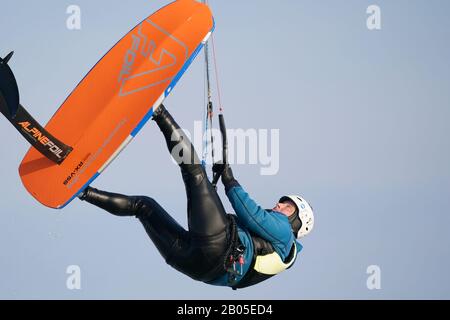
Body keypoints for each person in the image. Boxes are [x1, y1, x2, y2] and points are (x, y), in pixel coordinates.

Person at [78, 104, 315, 289]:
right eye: (283, 201)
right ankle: (83, 192)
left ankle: (158, 110)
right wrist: (219, 181)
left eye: (288, 207)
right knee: (143, 206)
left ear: (296, 222)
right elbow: (247, 224)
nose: (280, 204)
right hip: (196, 268)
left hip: (218, 248)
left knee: (193, 170)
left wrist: (229, 180)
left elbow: (250, 213)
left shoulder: (284, 232)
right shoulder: (279, 251)